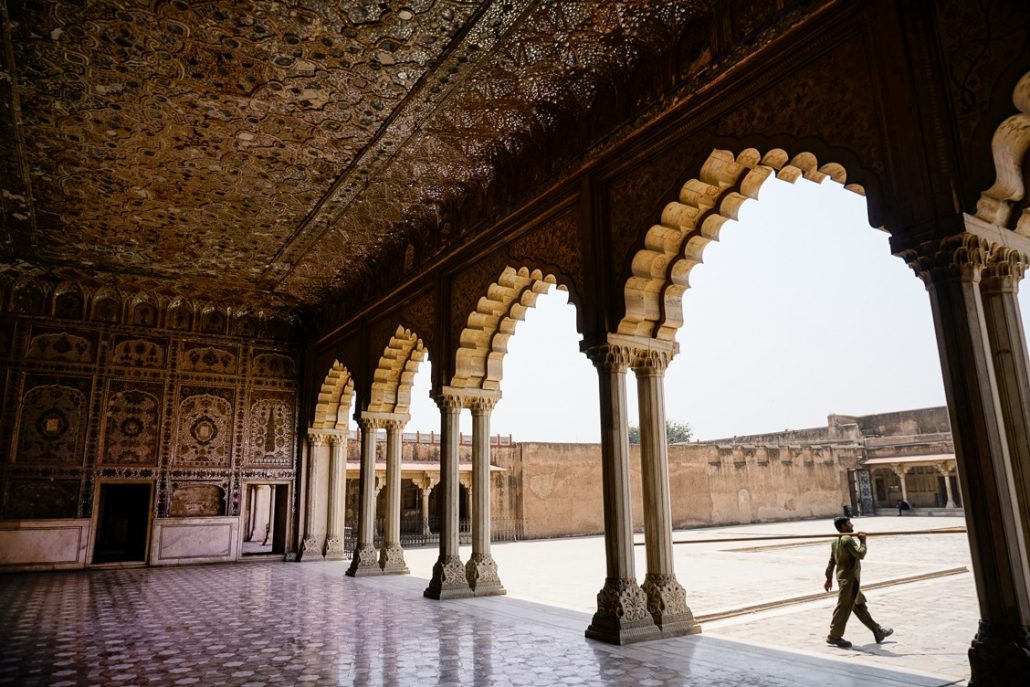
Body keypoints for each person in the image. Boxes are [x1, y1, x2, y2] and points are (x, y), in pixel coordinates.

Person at [823, 516, 893, 648]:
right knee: (843, 607)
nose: (852, 524)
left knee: (859, 605)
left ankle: (877, 631)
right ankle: (834, 636)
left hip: (845, 579)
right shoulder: (847, 539)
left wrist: (828, 579)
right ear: (844, 527)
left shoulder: (835, 541)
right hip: (849, 580)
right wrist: (863, 541)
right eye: (849, 523)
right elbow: (860, 554)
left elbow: (831, 562)